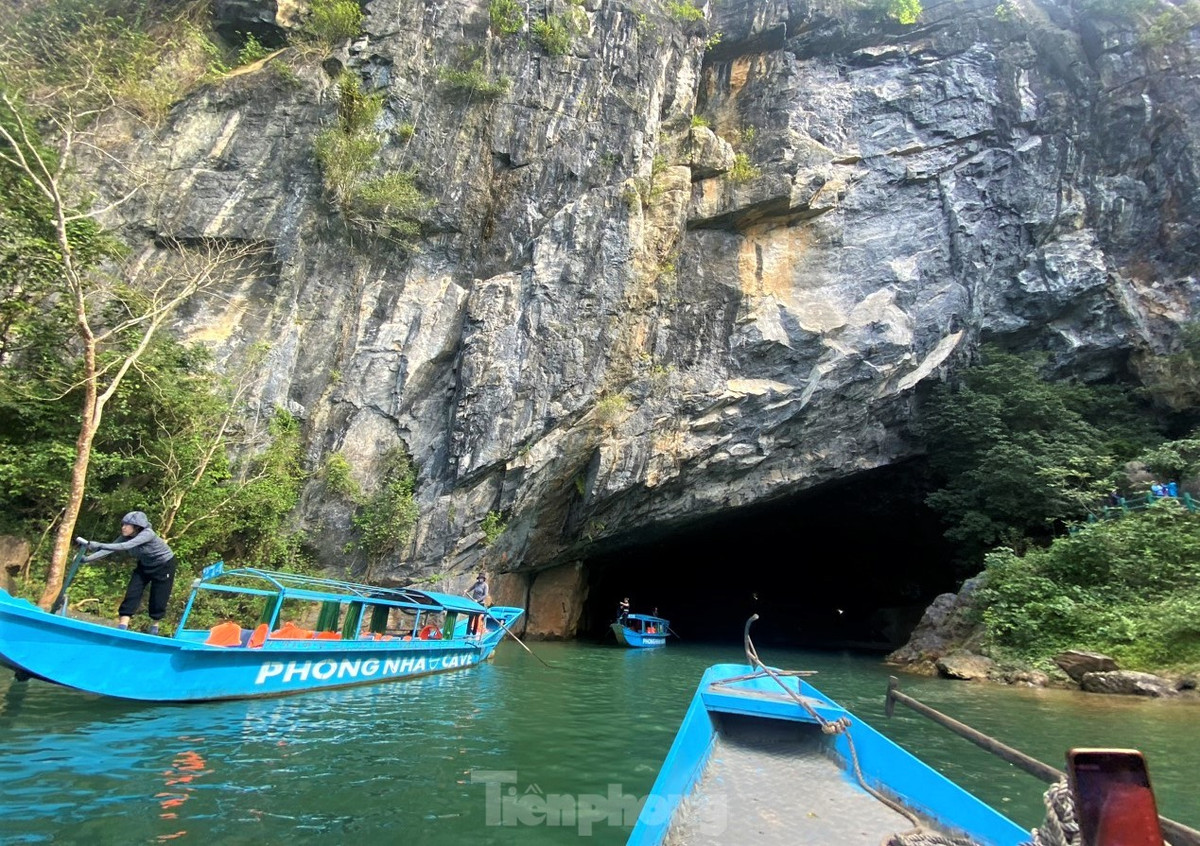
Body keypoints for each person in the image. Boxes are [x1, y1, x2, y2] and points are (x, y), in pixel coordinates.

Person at [76, 511, 178, 635]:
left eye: (127, 525)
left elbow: (125, 546)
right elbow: (108, 550)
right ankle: (123, 625)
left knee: (159, 596)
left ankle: (155, 626)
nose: (123, 527)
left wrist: (98, 545)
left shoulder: (147, 534)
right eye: (123, 524)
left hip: (164, 565)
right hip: (145, 564)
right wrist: (87, 559)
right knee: (133, 591)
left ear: (137, 527)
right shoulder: (125, 536)